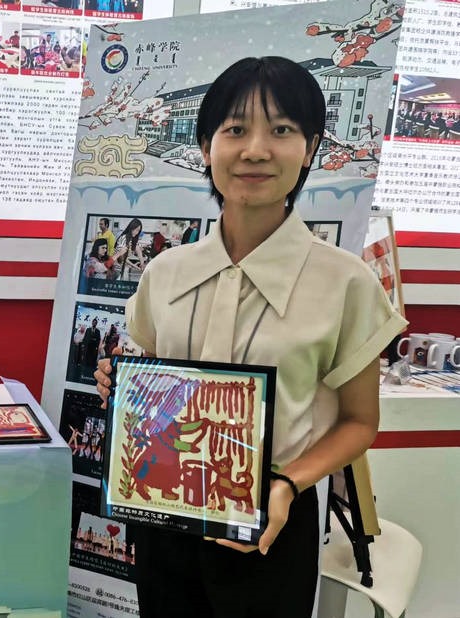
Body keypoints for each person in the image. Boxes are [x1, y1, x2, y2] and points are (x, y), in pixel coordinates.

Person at [93, 56, 407, 618]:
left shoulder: (345, 282)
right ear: (206, 147)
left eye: (281, 130)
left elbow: (360, 422)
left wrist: (286, 484)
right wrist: (120, 390)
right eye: (235, 129)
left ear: (310, 149)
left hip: (273, 524)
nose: (256, 150)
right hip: (163, 518)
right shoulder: (165, 272)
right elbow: (152, 384)